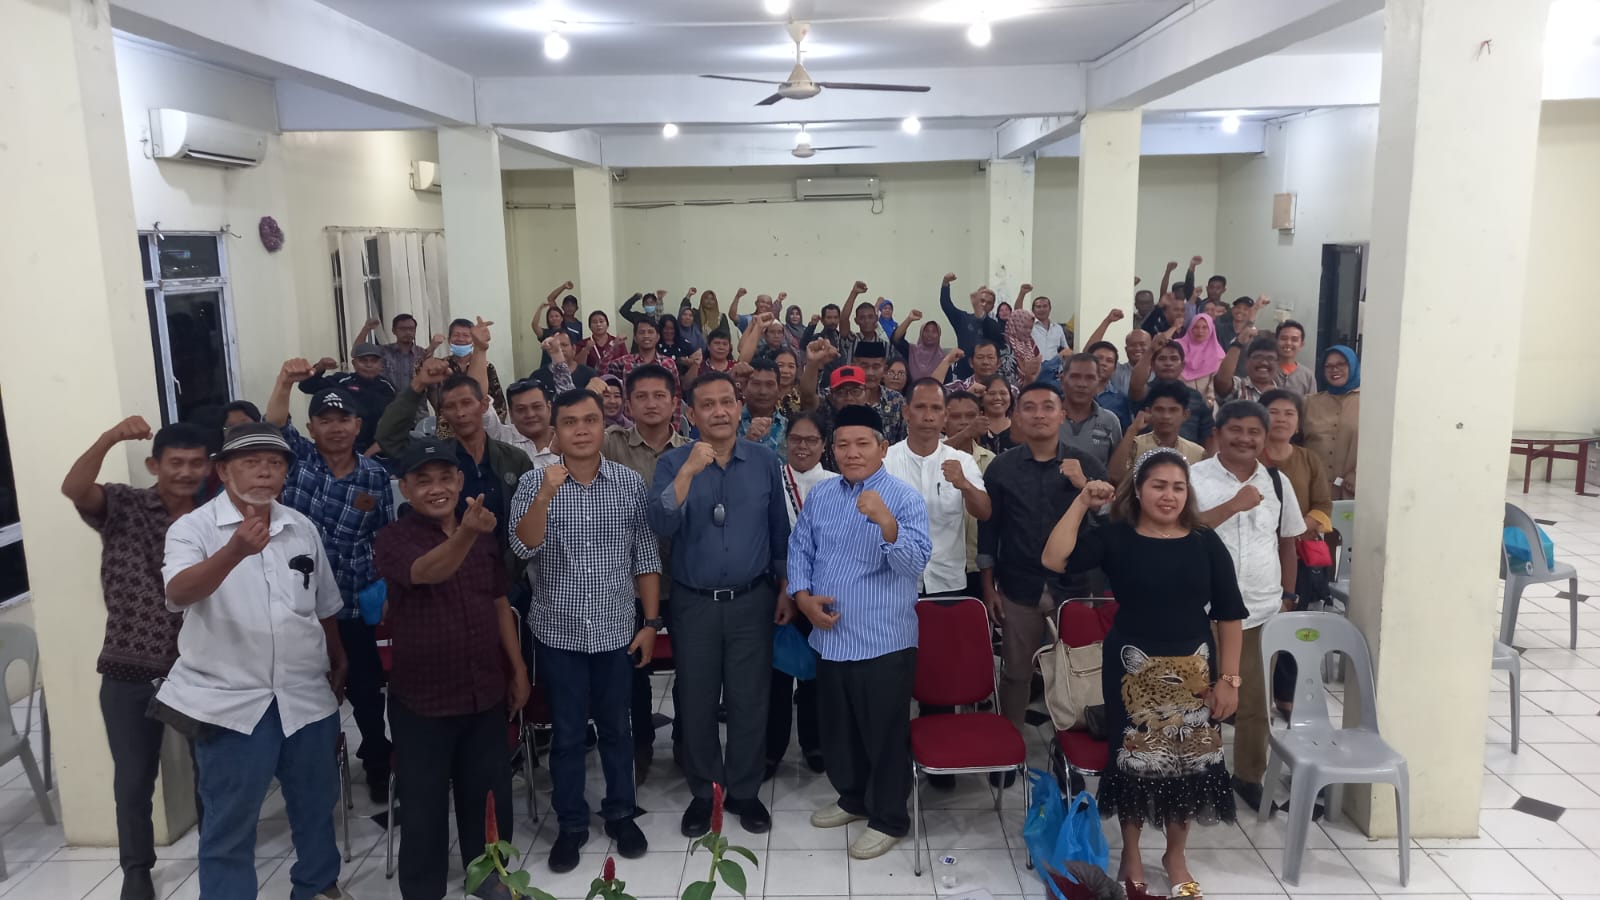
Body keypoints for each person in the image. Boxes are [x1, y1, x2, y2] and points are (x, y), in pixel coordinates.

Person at [155, 423, 351, 900]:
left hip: (304, 693)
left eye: (275, 463)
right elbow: (178, 592)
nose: (265, 472)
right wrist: (234, 551)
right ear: (223, 471)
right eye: (251, 462)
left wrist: (338, 656)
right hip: (232, 701)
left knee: (315, 803)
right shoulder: (194, 528)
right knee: (230, 818)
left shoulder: (300, 527)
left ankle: (318, 886)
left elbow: (323, 603)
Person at [1041, 449, 1245, 898]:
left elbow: (1230, 614)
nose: (1169, 495)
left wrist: (1229, 680)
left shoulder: (1205, 541)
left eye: (1178, 487)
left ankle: (1175, 855)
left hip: (1195, 668)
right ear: (1138, 490)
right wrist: (1081, 502)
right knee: (1134, 759)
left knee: (1189, 761)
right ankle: (1130, 854)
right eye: (1158, 485)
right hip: (1131, 670)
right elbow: (1054, 559)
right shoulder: (1117, 537)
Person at [63, 417, 212, 900]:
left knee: (209, 770)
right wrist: (110, 437)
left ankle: (215, 854)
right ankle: (136, 870)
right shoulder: (123, 505)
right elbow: (74, 488)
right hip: (128, 664)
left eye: (195, 463)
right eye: (176, 463)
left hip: (199, 667)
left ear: (209, 468)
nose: (186, 472)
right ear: (154, 465)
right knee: (133, 779)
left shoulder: (213, 520)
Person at [373, 437, 529, 900]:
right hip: (423, 699)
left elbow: (499, 602)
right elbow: (426, 572)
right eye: (423, 481)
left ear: (460, 481)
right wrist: (466, 533)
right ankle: (424, 889)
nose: (437, 488)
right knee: (423, 803)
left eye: (445, 478)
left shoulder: (482, 535)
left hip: (483, 689)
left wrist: (517, 669)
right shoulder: (394, 539)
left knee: (489, 794)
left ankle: (489, 875)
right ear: (405, 488)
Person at [511, 390, 660, 871]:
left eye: (590, 420)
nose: (581, 429)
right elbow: (522, 546)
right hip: (560, 633)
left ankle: (620, 813)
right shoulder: (534, 481)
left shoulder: (628, 483)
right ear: (555, 431)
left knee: (618, 728)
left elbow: (645, 556)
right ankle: (571, 824)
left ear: (603, 426)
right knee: (569, 734)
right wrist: (545, 495)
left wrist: (650, 623)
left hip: (617, 629)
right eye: (570, 422)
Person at [647, 373, 791, 837]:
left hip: (753, 599)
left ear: (739, 406)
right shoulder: (673, 462)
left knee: (751, 699)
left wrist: (785, 587)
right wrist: (689, 471)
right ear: (690, 414)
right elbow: (661, 523)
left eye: (727, 401)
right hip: (694, 604)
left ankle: (745, 790)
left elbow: (779, 530)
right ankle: (705, 792)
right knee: (697, 699)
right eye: (707, 405)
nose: (720, 411)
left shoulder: (764, 460)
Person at [788, 404, 932, 860]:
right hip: (830, 638)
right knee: (839, 728)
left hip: (883, 640)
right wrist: (802, 597)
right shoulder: (823, 496)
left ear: (882, 448)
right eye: (843, 445)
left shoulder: (904, 498)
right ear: (832, 451)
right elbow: (800, 549)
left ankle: (888, 817)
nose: (852, 453)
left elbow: (914, 565)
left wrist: (887, 523)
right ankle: (852, 797)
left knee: (884, 733)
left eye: (862, 444)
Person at [266, 365, 397, 804]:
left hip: (351, 601)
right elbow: (274, 424)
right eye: (325, 420)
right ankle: (308, 769)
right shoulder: (297, 463)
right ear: (311, 428)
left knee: (365, 689)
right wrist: (285, 382)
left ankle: (376, 760)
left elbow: (384, 535)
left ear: (358, 426)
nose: (336, 428)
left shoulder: (374, 475)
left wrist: (384, 590)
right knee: (304, 686)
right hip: (298, 601)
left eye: (344, 419)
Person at [1191, 401, 1305, 813]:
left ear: (1265, 437)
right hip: (1199, 609)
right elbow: (1180, 532)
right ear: (1218, 433)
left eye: (1254, 432)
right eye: (1235, 430)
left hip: (1259, 610)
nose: (1244, 438)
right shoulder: (1193, 478)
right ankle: (1195, 774)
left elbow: (1287, 542)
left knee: (1255, 702)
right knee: (1196, 699)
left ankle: (1248, 776)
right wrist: (1233, 505)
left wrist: (1288, 596)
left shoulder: (1277, 482)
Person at [978, 382, 1109, 735]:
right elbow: (989, 529)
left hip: (1075, 587)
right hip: (1018, 586)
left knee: (1076, 671)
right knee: (1016, 672)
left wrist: (1083, 484)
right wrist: (988, 587)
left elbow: (1109, 525)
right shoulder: (1001, 468)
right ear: (1017, 416)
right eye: (1030, 407)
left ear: (1062, 415)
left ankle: (1071, 747)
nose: (1039, 415)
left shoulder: (1086, 463)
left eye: (1048, 407)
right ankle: (1010, 744)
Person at [379, 329, 535, 568]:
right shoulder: (436, 457)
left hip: (503, 574)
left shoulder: (514, 458)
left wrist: (514, 570)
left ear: (483, 405)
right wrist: (418, 384)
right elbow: (388, 438)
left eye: (466, 403)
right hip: (449, 571)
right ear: (442, 412)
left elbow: (527, 521)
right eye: (451, 406)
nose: (460, 413)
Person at [604, 364, 690, 781]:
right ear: (628, 403)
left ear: (674, 402)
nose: (651, 404)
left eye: (660, 396)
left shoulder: (693, 451)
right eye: (642, 396)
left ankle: (686, 742)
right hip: (628, 582)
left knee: (691, 669)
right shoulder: (610, 445)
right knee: (632, 670)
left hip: (685, 577)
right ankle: (639, 744)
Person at [768, 413, 836, 780]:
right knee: (776, 674)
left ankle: (815, 742)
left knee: (815, 674)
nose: (803, 447)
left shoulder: (836, 484)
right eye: (796, 439)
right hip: (777, 591)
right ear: (785, 441)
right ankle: (772, 748)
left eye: (812, 440)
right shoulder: (772, 480)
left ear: (824, 445)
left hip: (821, 593)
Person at [885, 380, 991, 596]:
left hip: (948, 580)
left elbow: (984, 512)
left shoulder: (962, 461)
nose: (928, 416)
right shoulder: (885, 461)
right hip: (895, 579)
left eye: (936, 408)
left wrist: (965, 485)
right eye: (920, 407)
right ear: (906, 412)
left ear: (945, 416)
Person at [943, 390, 996, 596]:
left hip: (978, 563)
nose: (964, 422)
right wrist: (966, 433)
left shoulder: (991, 460)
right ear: (943, 420)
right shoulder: (925, 457)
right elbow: (930, 457)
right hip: (939, 565)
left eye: (971, 416)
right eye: (956, 416)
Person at [299, 344, 396, 457]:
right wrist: (319, 368)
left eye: (373, 361)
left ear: (380, 364)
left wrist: (376, 449)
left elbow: (396, 423)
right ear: (354, 363)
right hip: (344, 449)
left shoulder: (388, 388)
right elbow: (306, 386)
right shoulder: (342, 381)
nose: (369, 365)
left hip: (379, 451)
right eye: (363, 360)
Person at [1129, 338, 1216, 451]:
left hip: (1189, 458)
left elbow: (1208, 435)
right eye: (1162, 359)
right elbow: (1135, 385)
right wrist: (1151, 350)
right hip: (1148, 456)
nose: (1168, 363)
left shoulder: (1196, 397)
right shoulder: (1146, 392)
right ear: (1153, 365)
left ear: (1182, 365)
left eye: (1174, 359)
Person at [1109, 382, 1206, 482]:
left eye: (1173, 410)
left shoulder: (1198, 453)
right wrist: (1132, 430)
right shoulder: (1135, 445)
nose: (1166, 416)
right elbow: (1114, 476)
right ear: (1149, 412)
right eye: (1159, 410)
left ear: (1185, 414)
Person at [1303, 346, 1361, 500]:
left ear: (1353, 365)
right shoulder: (1309, 403)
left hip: (1352, 493)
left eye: (1341, 364)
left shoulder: (1369, 403)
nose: (1334, 370)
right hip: (1313, 492)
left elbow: (1381, 445)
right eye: (1328, 366)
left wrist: (1359, 473)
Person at [431, 318, 508, 428]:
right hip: (448, 427)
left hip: (480, 427)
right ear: (449, 340)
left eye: (466, 335)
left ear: (473, 340)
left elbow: (499, 402)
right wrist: (432, 347)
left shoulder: (486, 367)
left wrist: (495, 428)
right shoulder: (441, 365)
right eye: (456, 335)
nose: (460, 339)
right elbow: (419, 372)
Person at [1058, 353, 1123, 469]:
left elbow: (1115, 471)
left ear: (1098, 383)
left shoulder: (1110, 421)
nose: (1082, 384)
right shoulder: (1047, 417)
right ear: (1062, 380)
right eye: (1075, 377)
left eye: (1090, 378)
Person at [355, 313, 440, 396]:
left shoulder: (422, 354)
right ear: (394, 331)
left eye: (411, 329)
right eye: (403, 329)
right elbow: (356, 351)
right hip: (388, 403)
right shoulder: (383, 351)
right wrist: (366, 329)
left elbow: (431, 386)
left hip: (417, 404)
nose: (408, 332)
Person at [938, 273, 1003, 380]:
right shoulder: (963, 319)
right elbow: (946, 305)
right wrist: (945, 283)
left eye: (988, 303)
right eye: (981, 301)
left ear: (992, 307)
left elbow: (992, 332)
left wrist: (979, 313)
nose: (984, 304)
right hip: (963, 374)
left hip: (987, 375)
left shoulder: (994, 325)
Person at [607, 317, 683, 401]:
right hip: (632, 409)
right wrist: (613, 346)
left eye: (650, 332)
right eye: (642, 332)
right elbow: (602, 371)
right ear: (635, 338)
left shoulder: (668, 363)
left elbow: (677, 394)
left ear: (658, 337)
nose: (646, 336)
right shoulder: (625, 361)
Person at [488, 378, 559, 468]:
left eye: (537, 407)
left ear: (549, 408)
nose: (530, 414)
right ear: (511, 414)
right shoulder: (501, 438)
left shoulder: (567, 438)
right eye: (521, 409)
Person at [738, 356, 789, 460]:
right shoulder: (730, 425)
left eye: (770, 384)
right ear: (744, 388)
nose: (763, 391)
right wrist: (747, 441)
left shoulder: (790, 428)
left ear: (779, 390)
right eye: (756, 384)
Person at [1174, 313, 1227, 409]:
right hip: (1179, 401)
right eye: (1196, 327)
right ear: (1190, 328)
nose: (1200, 331)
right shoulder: (1178, 347)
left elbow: (1214, 383)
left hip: (1207, 403)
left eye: (1205, 327)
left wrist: (1209, 401)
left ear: (1211, 329)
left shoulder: (1218, 354)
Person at [1213, 335, 1279, 405]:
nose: (1264, 362)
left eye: (1270, 358)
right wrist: (1238, 343)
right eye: (1258, 357)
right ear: (1247, 361)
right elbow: (1222, 381)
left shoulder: (1282, 393)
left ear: (1278, 363)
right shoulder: (1239, 386)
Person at [976, 374, 1019, 455]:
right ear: (981, 400)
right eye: (991, 393)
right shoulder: (974, 430)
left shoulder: (1020, 429)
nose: (998, 398)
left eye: (1003, 393)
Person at [1024, 287, 1070, 359]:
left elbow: (1066, 350)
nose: (1042, 309)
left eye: (1045, 306)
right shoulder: (1028, 326)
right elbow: (1018, 310)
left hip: (1055, 365)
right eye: (1038, 307)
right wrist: (1022, 293)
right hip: (1034, 365)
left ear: (1050, 309)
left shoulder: (1058, 328)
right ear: (1033, 310)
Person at [1274, 320, 1317, 396]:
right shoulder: (1268, 370)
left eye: (1294, 339)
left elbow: (1312, 402)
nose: (1288, 343)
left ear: (1301, 344)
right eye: (1284, 338)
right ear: (1276, 341)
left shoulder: (1307, 376)